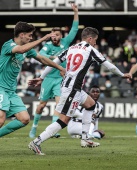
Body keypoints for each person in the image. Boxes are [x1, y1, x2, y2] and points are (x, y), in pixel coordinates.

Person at [28, 27, 131, 155]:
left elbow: (53, 62)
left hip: (73, 88)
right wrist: (122, 74)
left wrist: (42, 77)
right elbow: (108, 65)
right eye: (95, 40)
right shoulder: (90, 49)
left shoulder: (71, 48)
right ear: (90, 38)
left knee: (90, 105)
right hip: (71, 89)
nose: (95, 43)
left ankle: (85, 138)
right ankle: (36, 142)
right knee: (63, 121)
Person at [0, 21, 65, 138]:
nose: (31, 38)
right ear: (22, 35)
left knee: (24, 119)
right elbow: (20, 50)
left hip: (10, 91)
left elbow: (43, 59)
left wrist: (59, 67)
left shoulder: (27, 50)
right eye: (30, 35)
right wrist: (43, 38)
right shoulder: (8, 45)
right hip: (0, 88)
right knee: (1, 118)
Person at [29, 3, 79, 139]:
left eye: (56, 35)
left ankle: (53, 130)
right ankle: (34, 127)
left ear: (61, 35)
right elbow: (42, 56)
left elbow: (74, 29)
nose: (54, 37)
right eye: (52, 35)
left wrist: (75, 12)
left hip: (60, 78)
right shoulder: (47, 45)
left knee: (59, 104)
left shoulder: (66, 42)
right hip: (48, 78)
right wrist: (55, 57)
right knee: (41, 105)